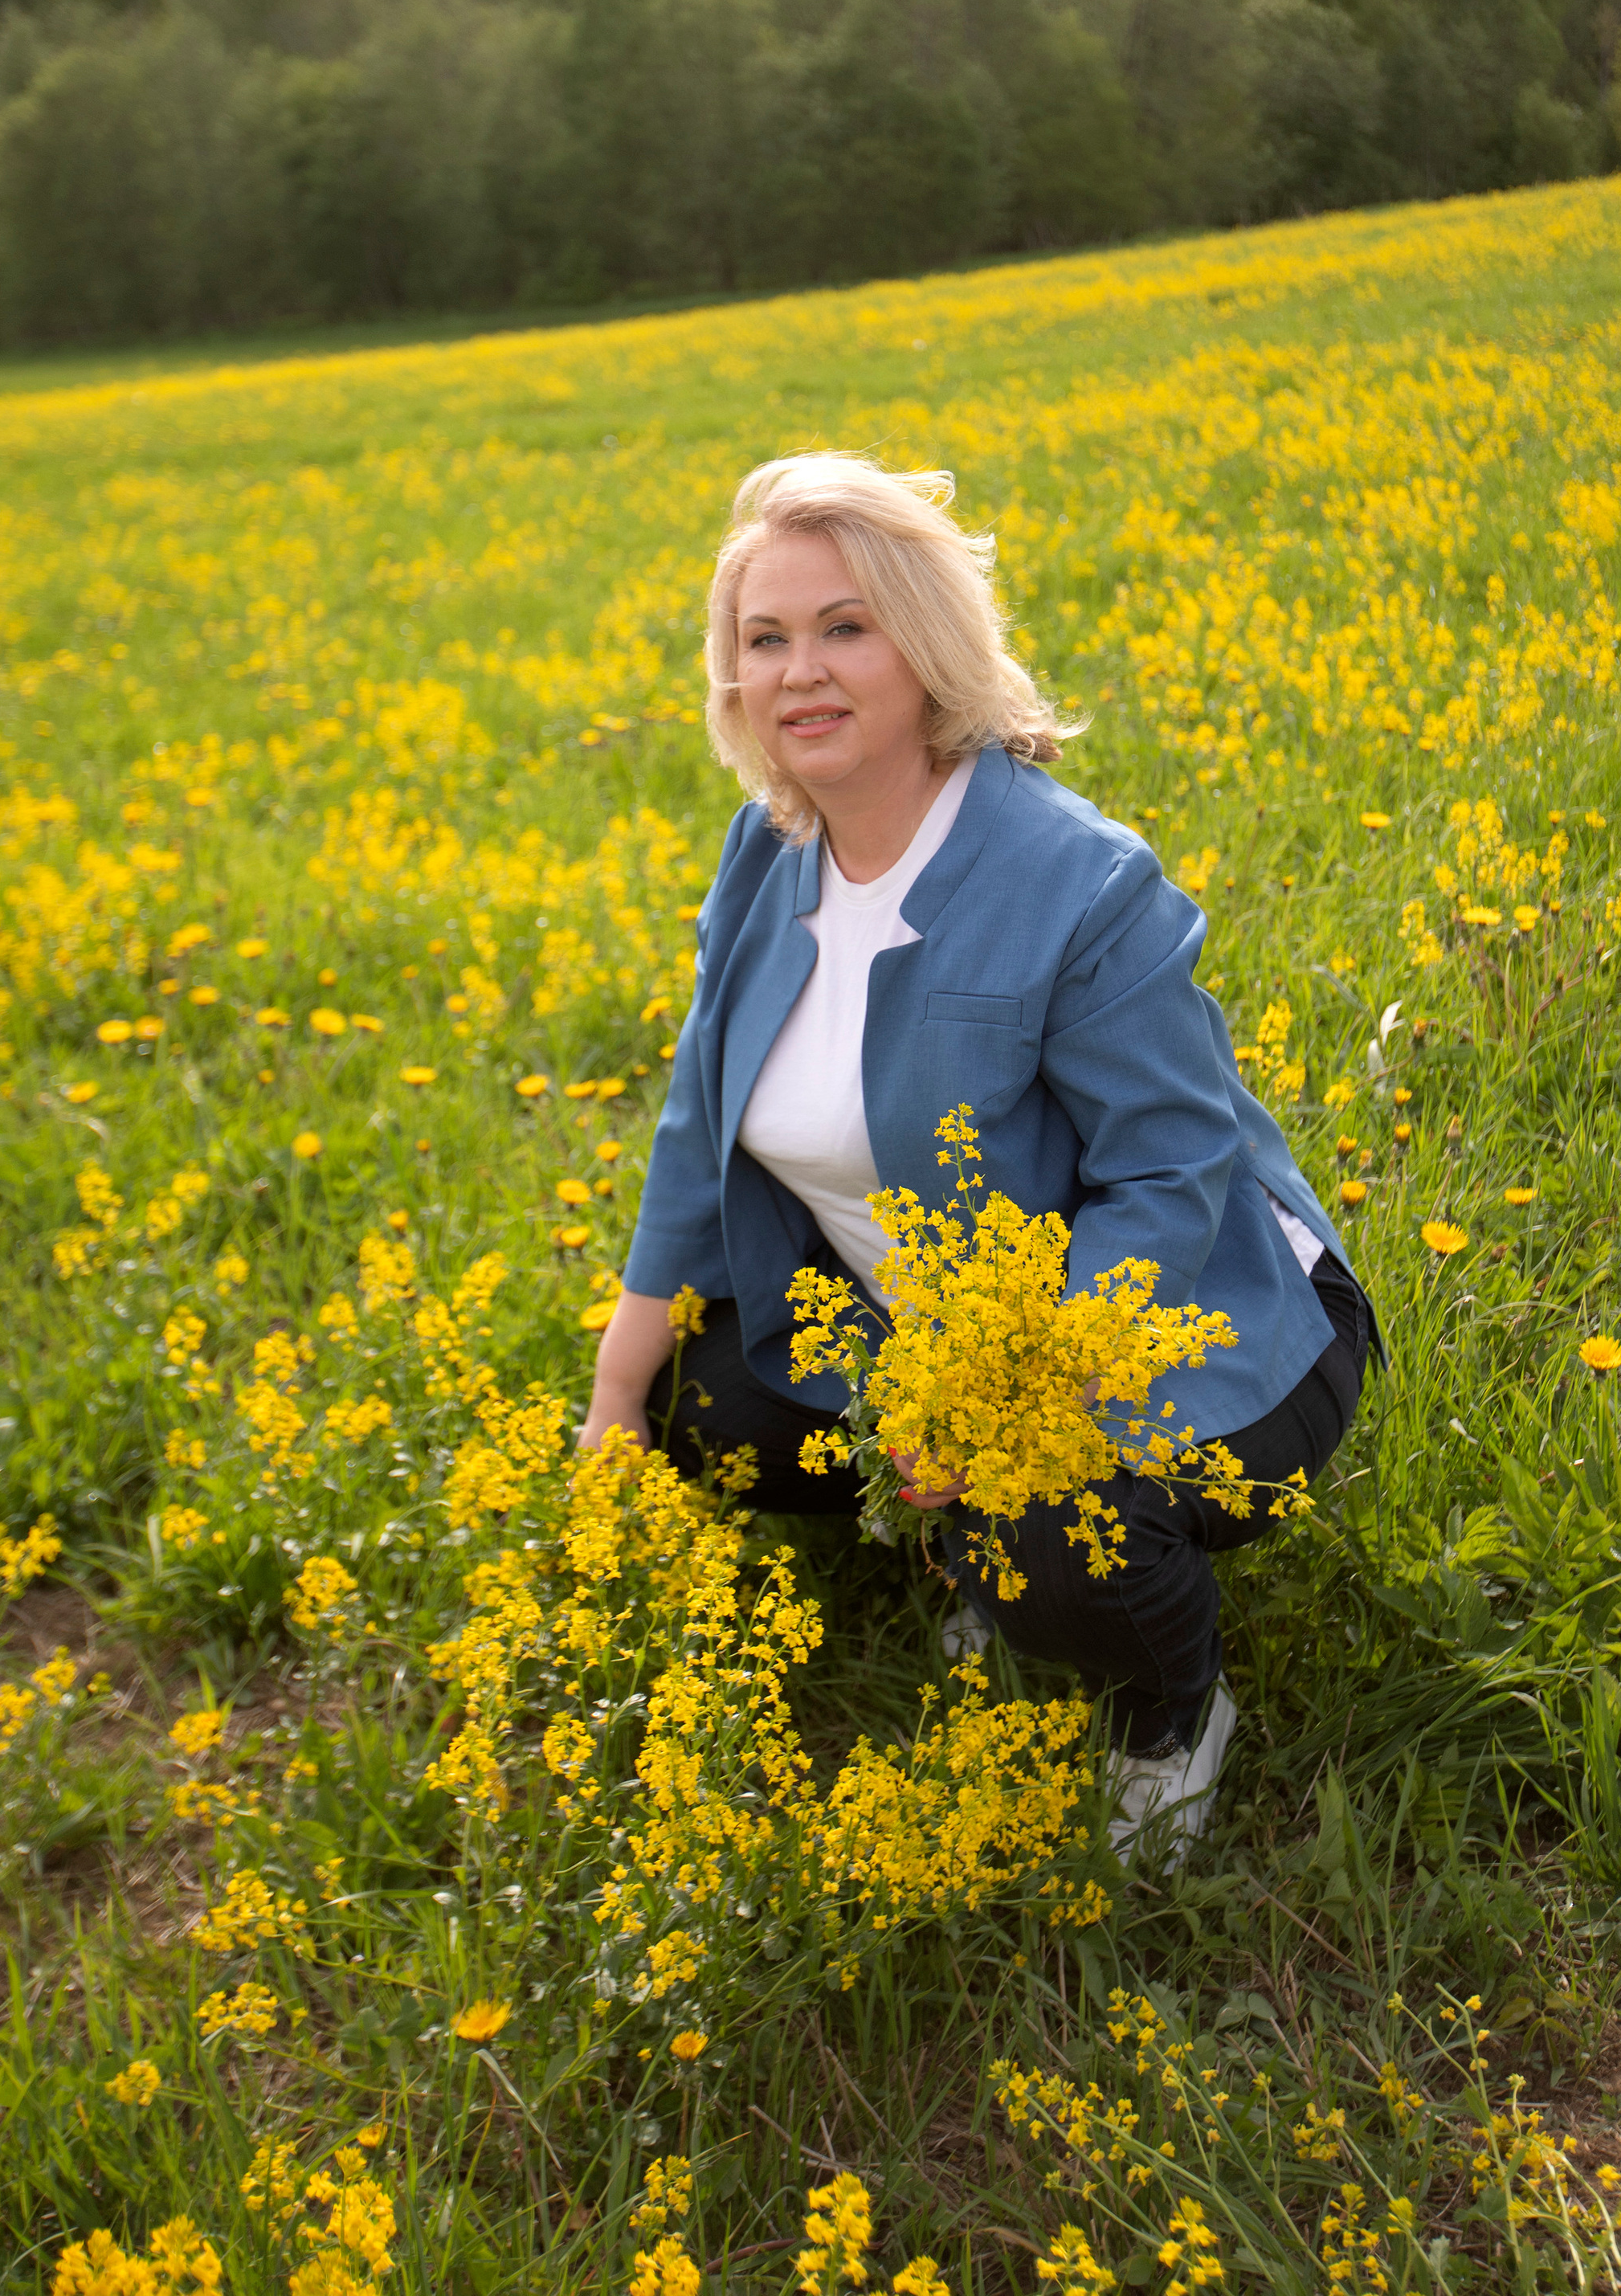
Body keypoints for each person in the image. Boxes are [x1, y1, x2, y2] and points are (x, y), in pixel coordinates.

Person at [580, 452, 1378, 1861]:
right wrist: (613, 1397)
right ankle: (963, 1540)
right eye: (764, 639)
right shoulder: (766, 854)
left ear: (928, 646)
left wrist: (1005, 1401)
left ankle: (1170, 1708)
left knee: (1047, 1528)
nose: (799, 672)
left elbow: (1172, 1173)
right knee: (709, 1406)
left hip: (1209, 1316)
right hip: (918, 1334)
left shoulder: (1080, 879)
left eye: (846, 627)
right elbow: (700, 1122)